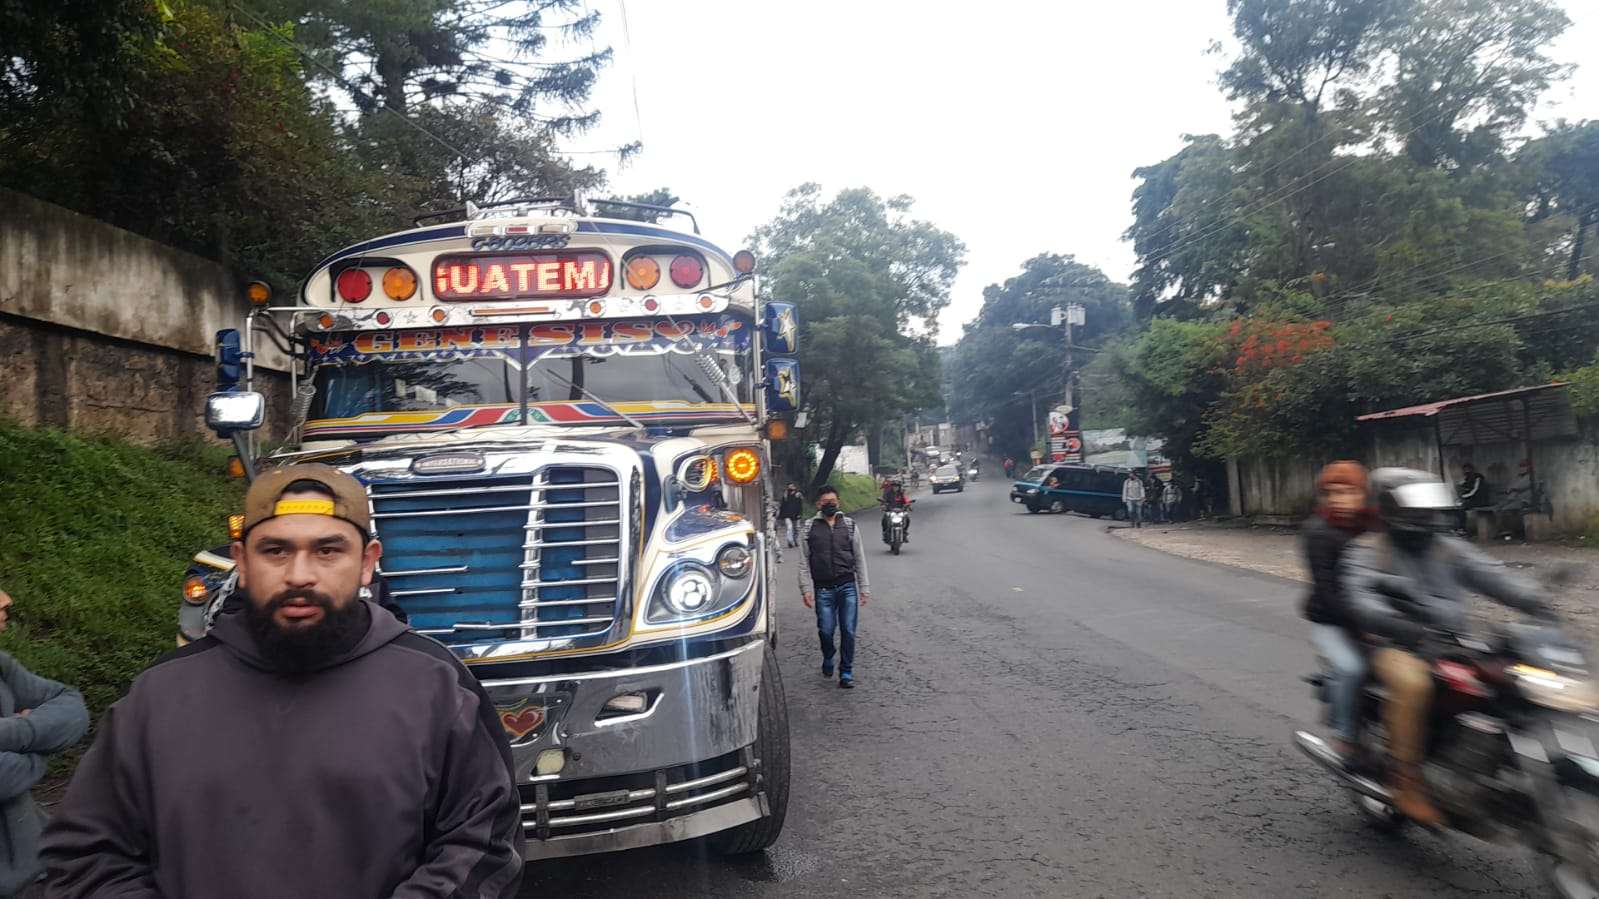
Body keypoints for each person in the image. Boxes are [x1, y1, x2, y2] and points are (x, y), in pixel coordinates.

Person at [43, 464, 523, 898]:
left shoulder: (436, 685)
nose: (300, 574)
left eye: (327, 551)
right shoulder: (158, 697)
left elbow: (484, 845)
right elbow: (87, 860)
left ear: (366, 562)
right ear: (243, 562)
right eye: (276, 551)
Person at [1342, 467, 1550, 827]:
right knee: (1414, 684)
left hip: (1449, 641)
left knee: (1511, 680)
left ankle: (1496, 766)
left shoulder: (1448, 548)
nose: (1424, 514)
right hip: (1394, 643)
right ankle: (1406, 779)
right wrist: (1403, 627)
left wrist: (1540, 603)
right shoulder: (1366, 550)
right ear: (1391, 508)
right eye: (1415, 507)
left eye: (1428, 506)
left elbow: (1496, 577)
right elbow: (1362, 601)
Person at [0, 589, 89, 899]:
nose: (6, 599)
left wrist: (17, 732)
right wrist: (40, 747)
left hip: (39, 872)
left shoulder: (1, 666)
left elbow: (71, 704)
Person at [1300, 461, 1375, 760]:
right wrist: (1365, 623)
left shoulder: (1375, 526)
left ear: (1362, 494)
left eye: (1348, 492)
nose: (1340, 499)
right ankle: (1346, 735)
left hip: (1376, 617)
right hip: (1330, 621)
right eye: (1332, 493)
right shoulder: (1318, 533)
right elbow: (1328, 593)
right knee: (1351, 668)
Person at [798, 485, 871, 689]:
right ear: (818, 504)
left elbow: (859, 558)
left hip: (847, 586)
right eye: (825, 502)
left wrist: (864, 588)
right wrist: (805, 589)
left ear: (838, 502)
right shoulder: (808, 527)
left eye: (833, 501)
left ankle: (846, 671)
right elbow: (804, 561)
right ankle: (828, 655)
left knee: (848, 630)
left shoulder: (849, 525)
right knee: (826, 630)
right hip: (823, 589)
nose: (830, 504)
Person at [880, 479, 912, 544]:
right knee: (884, 519)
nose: (895, 487)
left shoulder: (901, 493)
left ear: (899, 487)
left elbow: (906, 499)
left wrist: (908, 505)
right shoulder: (888, 493)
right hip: (890, 510)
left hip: (900, 511)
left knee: (907, 519)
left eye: (897, 486)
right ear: (892, 486)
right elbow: (883, 500)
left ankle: (904, 532)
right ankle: (885, 532)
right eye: (894, 486)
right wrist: (883, 505)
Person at [778, 483, 804, 548]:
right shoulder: (785, 495)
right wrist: (781, 516)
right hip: (787, 515)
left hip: (796, 515)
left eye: (792, 486)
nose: (790, 488)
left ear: (795, 487)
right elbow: (782, 506)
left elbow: (800, 506)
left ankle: (795, 540)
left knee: (796, 529)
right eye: (789, 487)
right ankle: (790, 541)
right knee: (789, 528)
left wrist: (800, 514)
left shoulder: (798, 495)